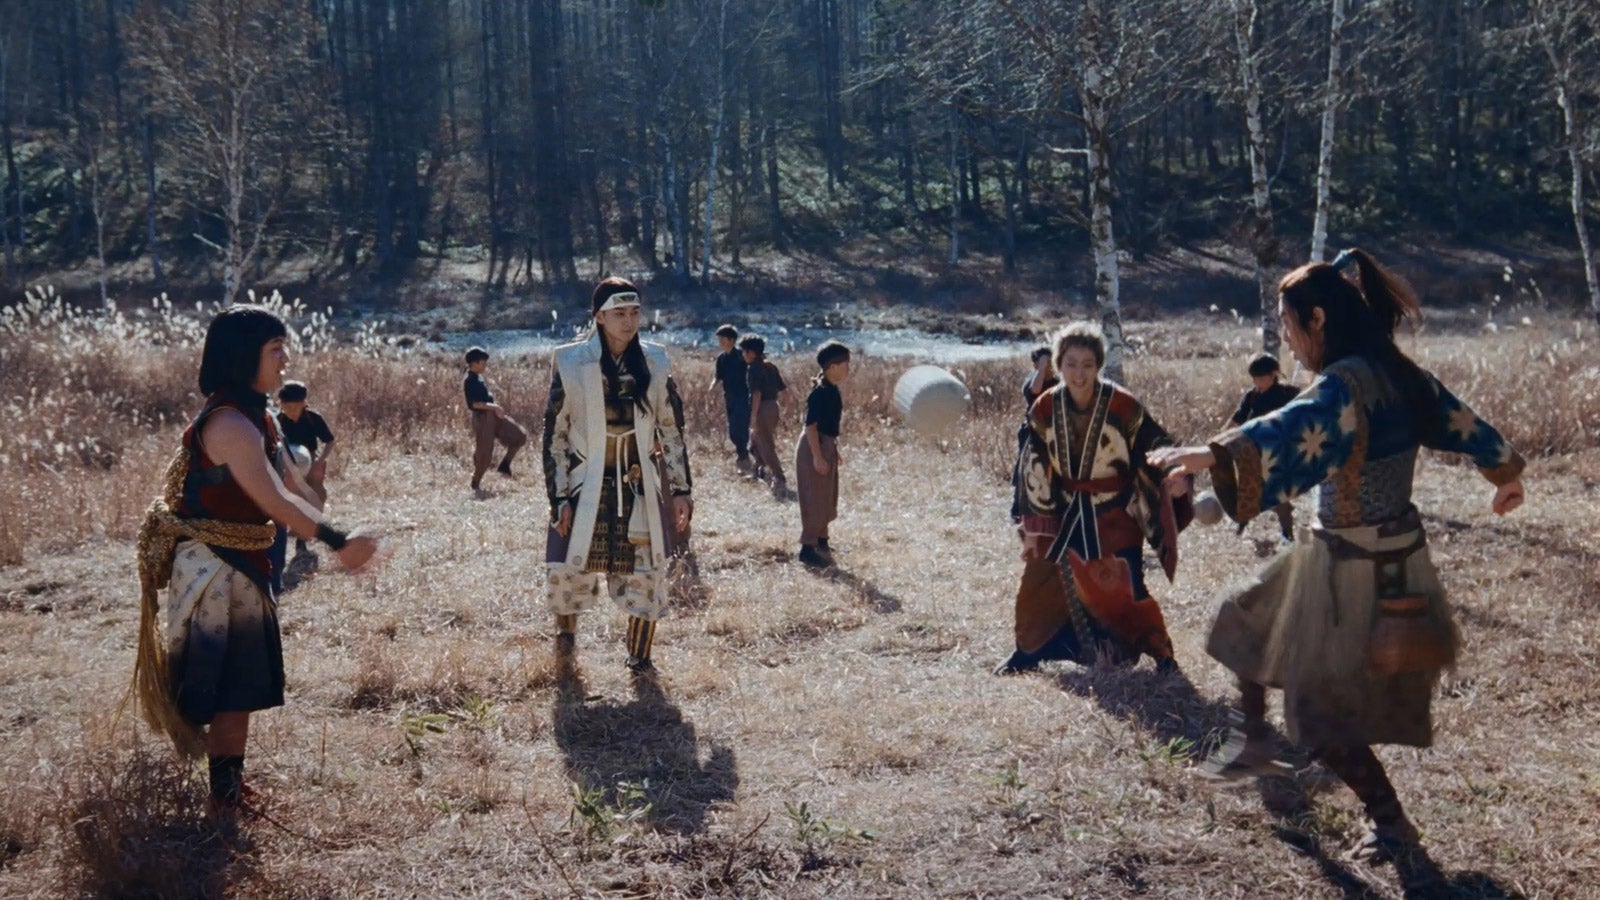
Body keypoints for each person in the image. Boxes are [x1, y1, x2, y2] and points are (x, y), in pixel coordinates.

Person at [1150, 249, 1526, 878]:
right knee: (1242, 621)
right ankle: (1257, 745)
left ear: (1318, 319)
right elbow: (1462, 421)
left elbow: (1294, 423)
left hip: (1359, 569)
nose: (1287, 340)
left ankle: (1391, 823)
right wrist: (1503, 472)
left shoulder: (1345, 383)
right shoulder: (1396, 371)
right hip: (1350, 552)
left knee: (1318, 715)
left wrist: (1209, 455)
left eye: (1288, 323)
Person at [129, 306, 386, 824]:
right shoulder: (227, 423)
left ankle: (228, 790)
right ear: (243, 355)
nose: (285, 358)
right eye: (275, 349)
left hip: (244, 565)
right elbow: (274, 502)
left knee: (240, 687)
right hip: (212, 570)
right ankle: (219, 798)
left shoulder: (260, 415)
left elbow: (292, 484)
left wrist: (329, 516)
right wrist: (338, 542)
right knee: (219, 686)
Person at [999, 322, 1193, 676]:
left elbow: (1155, 444)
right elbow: (1033, 458)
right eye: (1071, 363)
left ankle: (1161, 654)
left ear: (1099, 365)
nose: (1079, 373)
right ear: (1059, 365)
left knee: (1126, 583)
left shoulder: (1122, 405)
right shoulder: (1044, 407)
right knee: (1039, 578)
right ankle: (1028, 650)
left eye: (1087, 364)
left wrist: (1174, 477)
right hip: (1065, 508)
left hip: (1114, 511)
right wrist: (1034, 516)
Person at [542, 277, 693, 673]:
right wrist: (559, 498)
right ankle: (566, 647)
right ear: (599, 316)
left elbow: (671, 429)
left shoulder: (656, 361)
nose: (629, 322)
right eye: (619, 313)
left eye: (634, 313)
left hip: (636, 481)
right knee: (567, 570)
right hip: (584, 481)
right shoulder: (572, 361)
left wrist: (680, 489)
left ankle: (640, 660)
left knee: (647, 572)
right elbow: (555, 434)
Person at [268, 380, 336, 589]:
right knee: (291, 500)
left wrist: (320, 461)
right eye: (288, 407)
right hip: (286, 465)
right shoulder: (275, 421)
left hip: (311, 462)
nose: (292, 411)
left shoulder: (313, 418)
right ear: (281, 404)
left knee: (317, 496)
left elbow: (330, 440)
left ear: (305, 403)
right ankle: (289, 533)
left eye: (297, 406)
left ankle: (303, 537)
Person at [1226, 353, 1300, 541]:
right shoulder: (1251, 396)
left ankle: (1286, 534)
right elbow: (1237, 419)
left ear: (1273, 374)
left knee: (1279, 492)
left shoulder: (1288, 395)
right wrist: (1221, 437)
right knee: (1248, 489)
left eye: (1261, 378)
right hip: (1253, 452)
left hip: (1279, 452)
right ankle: (1242, 526)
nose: (1257, 382)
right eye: (1254, 378)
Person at [796, 341, 851, 568]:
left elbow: (829, 427)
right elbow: (811, 427)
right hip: (813, 446)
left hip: (825, 444)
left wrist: (832, 451)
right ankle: (807, 549)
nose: (848, 368)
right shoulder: (819, 393)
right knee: (815, 497)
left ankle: (822, 541)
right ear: (832, 366)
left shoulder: (832, 389)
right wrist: (818, 456)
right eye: (845, 364)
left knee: (827, 495)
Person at [463, 346, 529, 492]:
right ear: (474, 363)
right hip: (482, 419)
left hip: (493, 416)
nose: (485, 366)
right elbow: (474, 404)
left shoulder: (479, 378)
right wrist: (494, 407)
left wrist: (494, 409)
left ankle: (504, 465)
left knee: (519, 436)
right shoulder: (469, 381)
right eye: (482, 363)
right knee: (484, 454)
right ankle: (476, 481)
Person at [1011, 346, 1059, 521]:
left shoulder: (1058, 382)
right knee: (1025, 469)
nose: (1048, 369)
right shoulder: (1032, 381)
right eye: (1044, 364)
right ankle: (1017, 510)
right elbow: (1036, 390)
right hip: (1031, 431)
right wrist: (1041, 367)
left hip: (1053, 433)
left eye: (1050, 364)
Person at [740, 335, 789, 497]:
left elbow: (756, 393)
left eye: (745, 351)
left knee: (765, 444)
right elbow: (782, 388)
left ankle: (778, 477)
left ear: (752, 352)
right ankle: (759, 470)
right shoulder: (770, 366)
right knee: (755, 442)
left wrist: (753, 417)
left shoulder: (754, 368)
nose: (743, 355)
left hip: (762, 408)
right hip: (773, 406)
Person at [707, 324, 752, 473]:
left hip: (743, 395)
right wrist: (712, 388)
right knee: (732, 429)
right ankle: (744, 453)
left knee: (741, 426)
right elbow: (718, 376)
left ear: (731, 340)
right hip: (730, 396)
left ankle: (744, 457)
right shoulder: (721, 358)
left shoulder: (742, 355)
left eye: (722, 338)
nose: (720, 342)